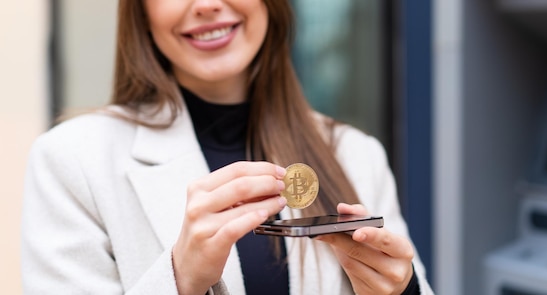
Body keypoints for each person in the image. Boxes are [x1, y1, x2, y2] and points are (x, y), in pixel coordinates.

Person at [21, 0, 434, 294]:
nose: (206, 5)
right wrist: (179, 279)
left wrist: (403, 290)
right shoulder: (71, 160)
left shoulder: (355, 153)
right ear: (141, 11)